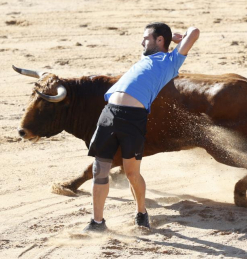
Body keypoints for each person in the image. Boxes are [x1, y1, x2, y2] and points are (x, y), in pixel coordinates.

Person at [83, 22, 200, 232]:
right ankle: (97, 222)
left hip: (133, 118)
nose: (142, 41)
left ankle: (141, 212)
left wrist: (175, 38)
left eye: (146, 38)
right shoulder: (145, 59)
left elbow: (195, 32)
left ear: (159, 40)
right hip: (109, 113)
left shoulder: (172, 60)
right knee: (99, 169)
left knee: (131, 173)